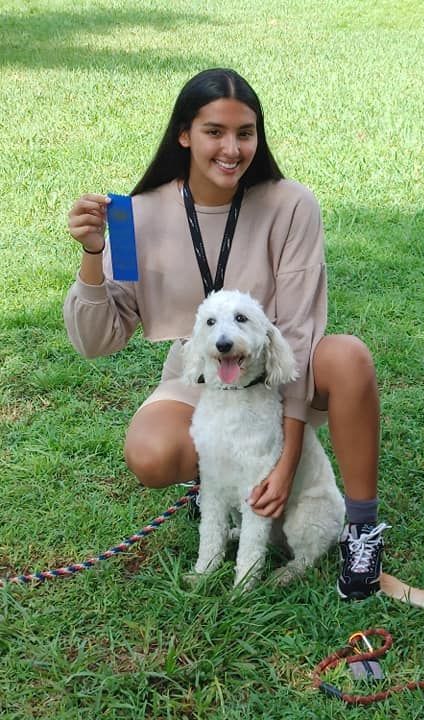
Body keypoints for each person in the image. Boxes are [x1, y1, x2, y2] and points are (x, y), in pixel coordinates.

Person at [64, 68, 385, 600]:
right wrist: (93, 255)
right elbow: (96, 340)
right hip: (202, 376)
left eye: (245, 132)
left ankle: (361, 528)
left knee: (348, 356)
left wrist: (285, 461)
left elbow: (300, 331)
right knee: (150, 452)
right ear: (184, 134)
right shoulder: (137, 214)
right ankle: (220, 486)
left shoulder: (292, 204)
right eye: (215, 131)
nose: (232, 149)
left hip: (280, 369)